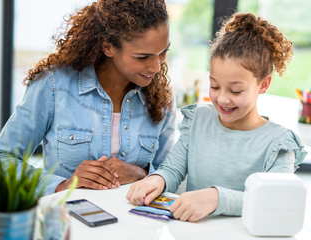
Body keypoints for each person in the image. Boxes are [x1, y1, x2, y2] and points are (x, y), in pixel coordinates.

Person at [126, 12, 307, 222]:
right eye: (214, 86)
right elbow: (173, 168)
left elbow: (277, 201)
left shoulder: (279, 143)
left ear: (263, 84)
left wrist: (217, 198)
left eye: (236, 91)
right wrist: (157, 179)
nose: (222, 99)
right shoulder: (198, 120)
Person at [0, 0, 176, 195]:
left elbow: (171, 173)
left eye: (163, 52)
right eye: (142, 57)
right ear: (108, 47)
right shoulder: (55, 85)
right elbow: (0, 158)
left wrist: (142, 174)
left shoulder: (161, 98)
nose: (156, 67)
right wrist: (62, 185)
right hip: (67, 220)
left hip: (135, 224)